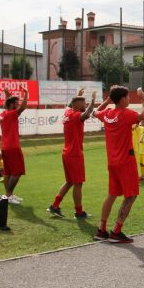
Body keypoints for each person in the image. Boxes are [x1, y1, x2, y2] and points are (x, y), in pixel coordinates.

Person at [93, 86, 144, 243]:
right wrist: (143, 97)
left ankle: (101, 229)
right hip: (125, 161)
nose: (130, 99)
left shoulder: (107, 113)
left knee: (112, 195)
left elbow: (94, 111)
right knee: (131, 196)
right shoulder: (125, 114)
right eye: (128, 97)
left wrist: (107, 101)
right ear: (123, 99)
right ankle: (116, 231)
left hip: (112, 162)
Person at [48, 88, 96, 218]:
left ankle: (55, 205)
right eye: (84, 104)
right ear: (79, 106)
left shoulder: (68, 113)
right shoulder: (76, 116)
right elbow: (87, 114)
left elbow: (72, 106)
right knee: (78, 183)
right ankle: (79, 212)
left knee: (69, 182)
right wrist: (92, 101)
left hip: (66, 153)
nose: (85, 106)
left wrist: (78, 96)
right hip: (74, 154)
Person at [0, 87, 28, 204]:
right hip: (13, 147)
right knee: (17, 172)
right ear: (12, 105)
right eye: (16, 103)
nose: (18, 104)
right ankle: (8, 195)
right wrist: (26, 93)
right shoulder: (11, 114)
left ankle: (9, 195)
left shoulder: (3, 113)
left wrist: (7, 95)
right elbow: (23, 107)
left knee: (8, 172)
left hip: (5, 147)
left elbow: (7, 104)